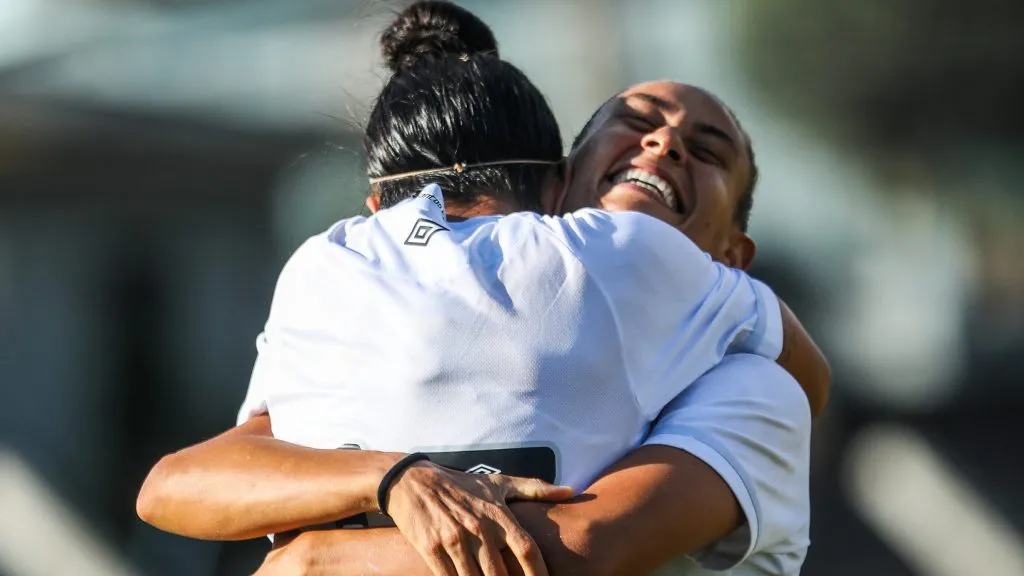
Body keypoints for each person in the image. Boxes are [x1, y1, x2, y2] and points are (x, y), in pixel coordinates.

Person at [137, 2, 825, 575]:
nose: (664, 145)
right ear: (561, 186)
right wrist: (394, 478)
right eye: (636, 122)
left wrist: (313, 560)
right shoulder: (447, 297)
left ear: (735, 256)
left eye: (706, 151)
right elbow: (195, 476)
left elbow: (576, 550)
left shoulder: (755, 397)